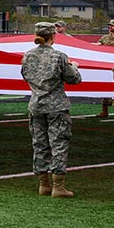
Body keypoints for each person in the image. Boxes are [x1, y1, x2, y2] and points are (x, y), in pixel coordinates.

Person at [21, 22, 82, 198]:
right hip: (56, 107)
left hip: (36, 106)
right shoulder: (59, 56)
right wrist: (74, 66)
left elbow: (25, 75)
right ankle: (58, 186)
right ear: (52, 36)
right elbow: (73, 79)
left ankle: (43, 185)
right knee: (59, 144)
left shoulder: (27, 56)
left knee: (39, 145)